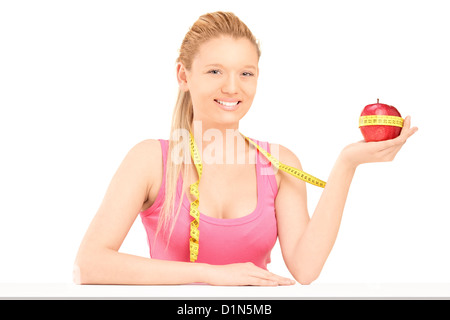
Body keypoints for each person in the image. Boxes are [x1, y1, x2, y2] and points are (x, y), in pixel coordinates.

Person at [73, 11, 418, 286]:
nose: (232, 87)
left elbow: (306, 268)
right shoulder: (151, 160)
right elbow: (90, 264)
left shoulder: (279, 163)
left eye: (246, 73)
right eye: (214, 71)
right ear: (183, 76)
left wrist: (347, 164)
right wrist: (211, 274)